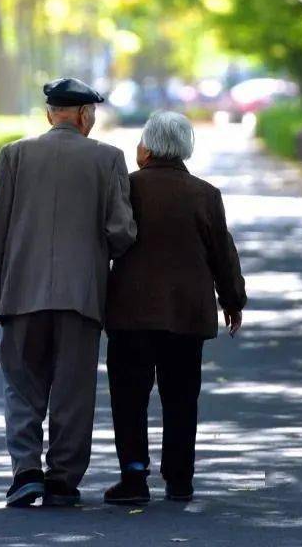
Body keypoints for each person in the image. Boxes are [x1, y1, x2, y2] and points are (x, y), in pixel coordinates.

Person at [0, 77, 136, 508]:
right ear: (86, 116)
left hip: (20, 293)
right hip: (81, 296)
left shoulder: (14, 155)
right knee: (73, 389)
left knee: (22, 385)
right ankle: (63, 479)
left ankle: (25, 471)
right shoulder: (107, 158)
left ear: (51, 114)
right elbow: (121, 232)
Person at [104, 110, 247, 506]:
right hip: (187, 313)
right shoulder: (205, 194)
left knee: (129, 396)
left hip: (130, 312)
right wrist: (232, 300)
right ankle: (179, 478)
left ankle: (134, 478)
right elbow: (223, 253)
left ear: (146, 147)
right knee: (182, 397)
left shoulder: (126, 189)